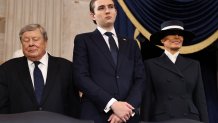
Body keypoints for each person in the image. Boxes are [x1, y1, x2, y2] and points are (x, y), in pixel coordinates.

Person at [73, 0, 146, 123]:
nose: (107, 11)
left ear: (116, 12)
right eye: (101, 8)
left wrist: (125, 109)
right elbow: (81, 78)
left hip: (128, 116)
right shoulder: (83, 40)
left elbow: (140, 78)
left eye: (111, 7)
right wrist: (112, 104)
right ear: (93, 15)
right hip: (95, 115)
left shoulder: (131, 44)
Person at [0, 24, 80, 118]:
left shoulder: (66, 67)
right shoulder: (7, 69)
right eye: (26, 40)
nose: (30, 44)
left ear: (45, 41)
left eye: (35, 39)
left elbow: (74, 104)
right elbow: (2, 106)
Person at [140, 20, 209, 123]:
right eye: (172, 33)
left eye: (180, 34)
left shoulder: (194, 65)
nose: (177, 37)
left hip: (190, 118)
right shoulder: (150, 65)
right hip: (163, 118)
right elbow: (147, 98)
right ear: (162, 40)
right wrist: (144, 121)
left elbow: (200, 99)